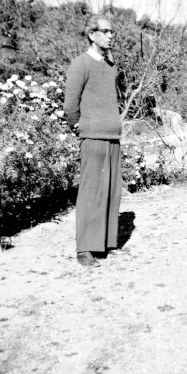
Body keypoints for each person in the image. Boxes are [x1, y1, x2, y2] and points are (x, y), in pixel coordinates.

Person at [64, 14, 122, 267]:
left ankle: (106, 244)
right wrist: (78, 125)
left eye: (112, 32)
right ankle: (85, 250)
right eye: (105, 31)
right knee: (91, 192)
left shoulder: (110, 66)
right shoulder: (80, 64)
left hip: (112, 136)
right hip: (92, 137)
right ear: (91, 34)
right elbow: (70, 104)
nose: (110, 36)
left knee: (111, 191)